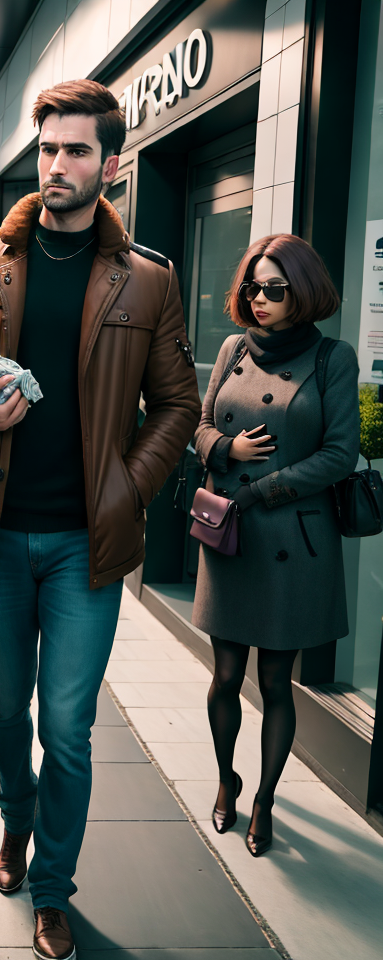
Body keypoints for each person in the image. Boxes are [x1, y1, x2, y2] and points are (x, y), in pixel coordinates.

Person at [0, 79, 201, 960]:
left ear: (110, 164)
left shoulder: (147, 279)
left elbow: (178, 405)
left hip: (88, 543)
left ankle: (53, 886)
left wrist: (128, 487)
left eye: (77, 150)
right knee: (7, 705)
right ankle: (14, 814)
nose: (57, 165)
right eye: (48, 149)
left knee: (67, 726)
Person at [192, 234, 359, 858]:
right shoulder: (234, 348)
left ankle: (263, 797)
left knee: (275, 681)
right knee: (225, 675)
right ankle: (227, 778)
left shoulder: (331, 359)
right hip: (229, 536)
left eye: (274, 289)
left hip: (291, 539)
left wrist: (269, 487)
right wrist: (223, 451)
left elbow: (340, 454)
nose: (259, 299)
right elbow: (200, 424)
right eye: (252, 288)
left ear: (303, 291)